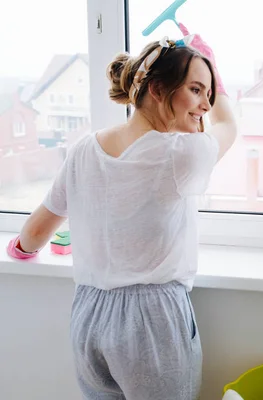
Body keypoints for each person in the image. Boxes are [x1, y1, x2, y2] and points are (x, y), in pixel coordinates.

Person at [6, 31, 237, 399]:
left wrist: (21, 250)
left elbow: (34, 231)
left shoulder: (83, 149)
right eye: (196, 90)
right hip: (153, 324)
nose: (206, 105)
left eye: (209, 94)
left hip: (89, 317)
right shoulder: (179, 154)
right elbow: (229, 127)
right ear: (158, 90)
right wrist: (218, 75)